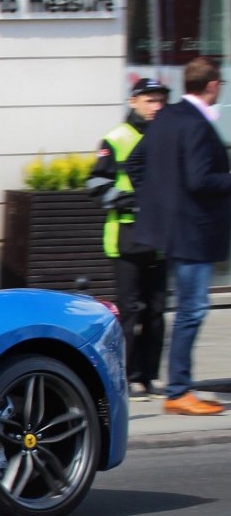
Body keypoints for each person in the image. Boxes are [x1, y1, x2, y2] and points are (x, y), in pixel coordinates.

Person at [125, 57, 231, 416]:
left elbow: (134, 164)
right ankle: (178, 390)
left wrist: (158, 202)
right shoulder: (198, 125)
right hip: (194, 234)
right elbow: (201, 180)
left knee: (185, 309)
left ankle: (177, 387)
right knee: (192, 311)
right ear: (213, 85)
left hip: (172, 230)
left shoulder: (167, 116)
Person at [86, 77, 170, 401]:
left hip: (160, 236)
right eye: (150, 100)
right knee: (131, 310)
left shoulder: (165, 137)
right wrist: (128, 199)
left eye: (161, 100)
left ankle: (150, 375)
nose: (156, 106)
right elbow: (96, 183)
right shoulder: (116, 138)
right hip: (126, 235)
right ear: (133, 101)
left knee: (157, 310)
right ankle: (126, 375)